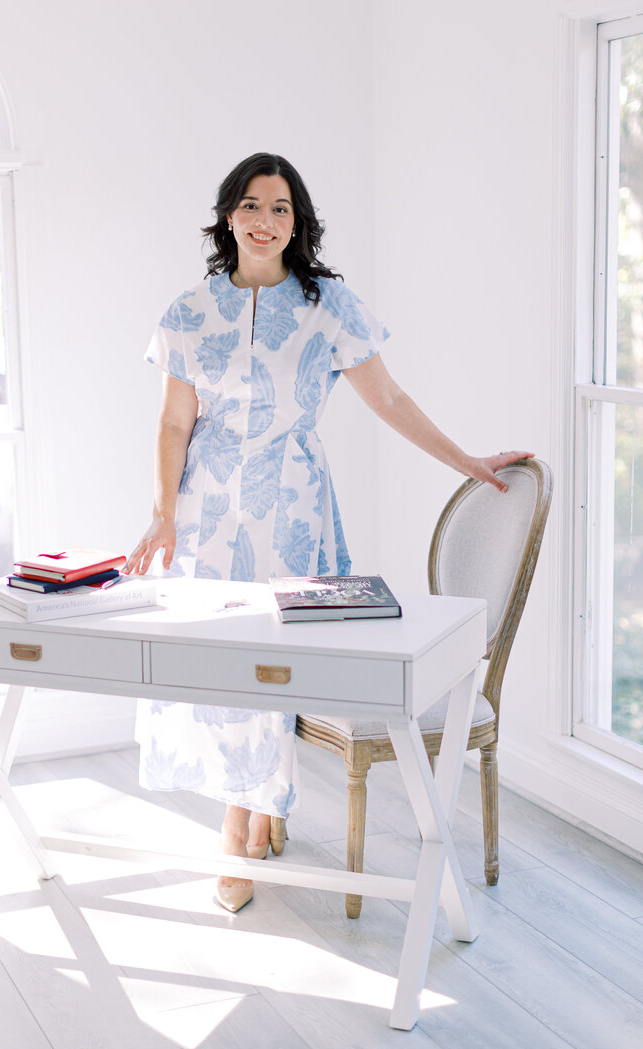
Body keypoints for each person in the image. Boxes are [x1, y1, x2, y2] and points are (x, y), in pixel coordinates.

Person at [126, 151, 532, 913]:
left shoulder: (328, 304)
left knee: (275, 662)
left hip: (293, 505)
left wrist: (469, 461)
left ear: (298, 222)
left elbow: (392, 399)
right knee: (217, 666)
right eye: (250, 205)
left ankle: (238, 823)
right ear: (227, 216)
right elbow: (174, 421)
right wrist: (161, 510)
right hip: (208, 511)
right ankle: (259, 804)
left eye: (280, 208)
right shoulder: (188, 310)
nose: (264, 221)